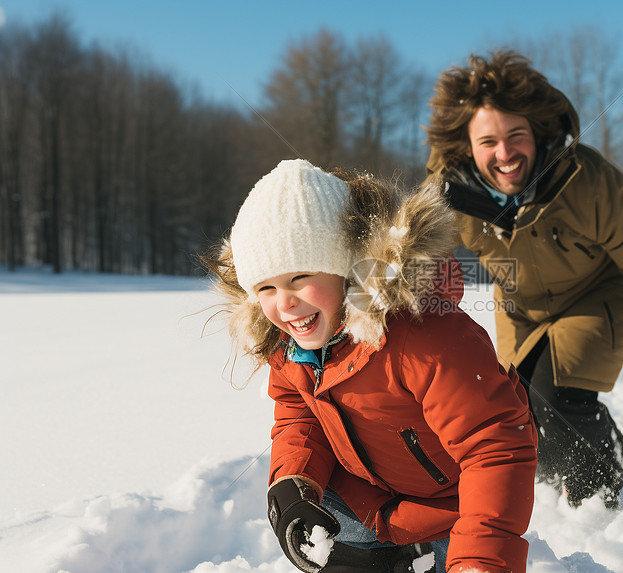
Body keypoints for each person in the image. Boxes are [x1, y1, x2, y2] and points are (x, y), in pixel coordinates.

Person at [204, 159, 537, 573]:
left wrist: (481, 560)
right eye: (266, 288)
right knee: (330, 526)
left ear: (346, 266)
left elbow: (495, 446)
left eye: (300, 277)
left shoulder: (424, 339)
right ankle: (388, 558)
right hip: (371, 505)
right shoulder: (290, 345)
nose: (284, 303)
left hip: (455, 509)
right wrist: (294, 483)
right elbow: (300, 418)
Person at [423, 50, 623, 509]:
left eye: (516, 135)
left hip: (598, 294)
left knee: (554, 400)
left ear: (537, 131)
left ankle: (597, 498)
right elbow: (405, 266)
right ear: (465, 147)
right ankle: (589, 449)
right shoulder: (447, 196)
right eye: (487, 142)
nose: (504, 153)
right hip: (519, 303)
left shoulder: (591, 184)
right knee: (515, 409)